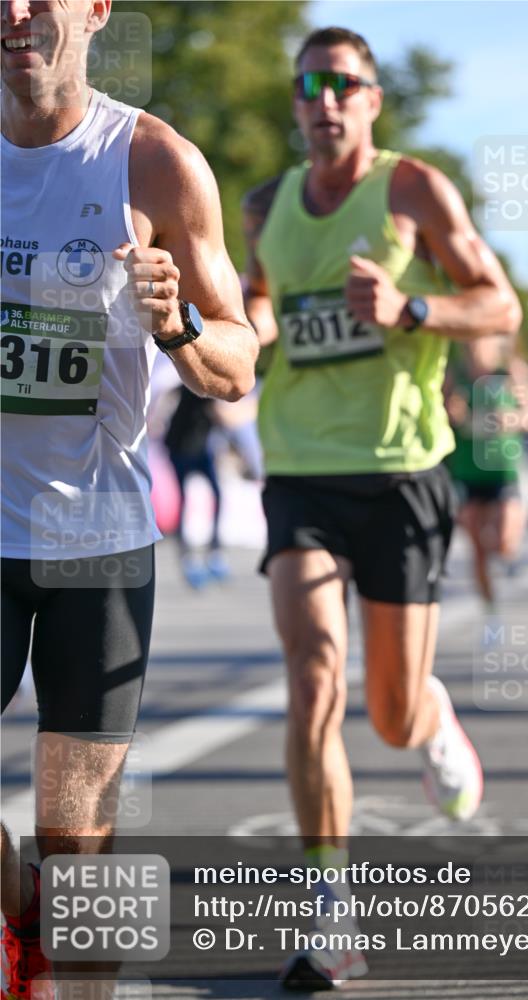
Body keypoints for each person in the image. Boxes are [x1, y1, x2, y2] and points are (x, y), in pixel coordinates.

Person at [242, 26, 521, 989]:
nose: (323, 100)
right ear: (295, 102)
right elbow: (264, 302)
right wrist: (235, 328)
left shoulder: (414, 191)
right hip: (301, 472)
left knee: (391, 716)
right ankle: (332, 913)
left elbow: (499, 305)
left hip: (402, 473)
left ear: (370, 99)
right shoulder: (266, 205)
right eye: (308, 84)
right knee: (313, 675)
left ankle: (430, 716)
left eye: (341, 83)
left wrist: (412, 310)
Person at [0, 2, 257, 997]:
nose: (16, 12)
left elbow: (237, 359)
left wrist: (177, 323)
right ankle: (20, 898)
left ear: (96, 8)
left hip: (94, 541)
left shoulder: (151, 162)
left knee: (80, 851)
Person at [444, 337, 528, 614]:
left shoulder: (510, 372)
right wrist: (451, 413)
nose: (474, 346)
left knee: (504, 542)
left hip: (503, 468)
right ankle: (490, 610)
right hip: (467, 469)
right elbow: (437, 412)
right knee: (477, 548)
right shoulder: (455, 374)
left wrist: (513, 419)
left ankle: (507, 561)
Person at [164, 385, 230, 588]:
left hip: (199, 448)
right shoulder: (202, 388)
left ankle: (213, 550)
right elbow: (224, 418)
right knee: (184, 502)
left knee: (216, 496)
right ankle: (189, 555)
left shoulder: (195, 388)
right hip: (182, 448)